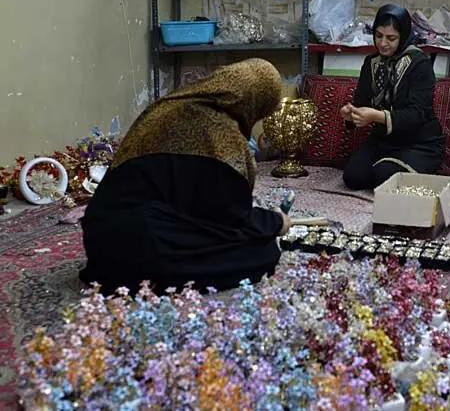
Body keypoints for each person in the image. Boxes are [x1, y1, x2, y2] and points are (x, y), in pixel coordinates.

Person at [80, 59, 292, 294]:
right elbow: (228, 218)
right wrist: (275, 222)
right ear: (256, 101)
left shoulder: (167, 106)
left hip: (100, 241)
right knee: (263, 252)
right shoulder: (219, 132)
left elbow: (189, 201)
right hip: (142, 245)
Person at [341, 4, 446, 191]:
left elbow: (418, 113)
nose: (383, 43)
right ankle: (386, 164)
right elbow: (361, 103)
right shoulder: (371, 63)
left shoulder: (419, 63)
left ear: (403, 36)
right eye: (378, 35)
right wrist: (351, 114)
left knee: (383, 176)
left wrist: (376, 116)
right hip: (384, 140)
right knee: (353, 178)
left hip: (419, 143)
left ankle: (401, 166)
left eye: (391, 38)